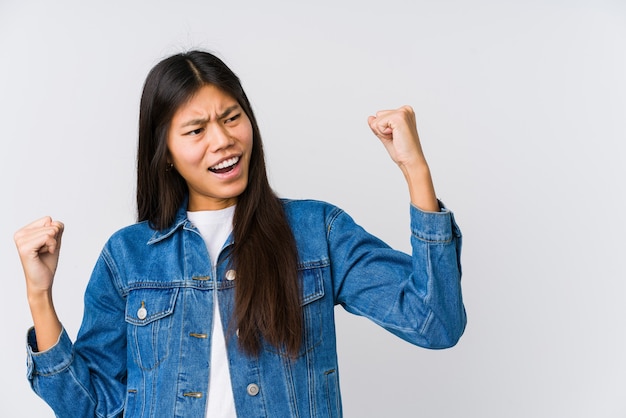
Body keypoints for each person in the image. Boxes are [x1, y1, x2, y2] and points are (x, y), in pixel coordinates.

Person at [14, 50, 466, 418]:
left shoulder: (315, 232)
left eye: (232, 118)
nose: (223, 140)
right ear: (166, 153)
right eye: (196, 130)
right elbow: (90, 408)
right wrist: (40, 294)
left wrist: (415, 170)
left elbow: (435, 322)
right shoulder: (128, 256)